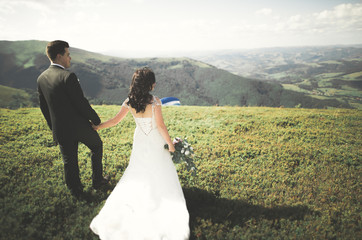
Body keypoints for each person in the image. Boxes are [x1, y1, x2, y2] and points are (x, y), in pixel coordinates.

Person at [90, 67, 190, 239]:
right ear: (149, 85)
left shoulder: (129, 101)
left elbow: (115, 121)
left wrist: (99, 126)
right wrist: (170, 144)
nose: (155, 83)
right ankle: (158, 196)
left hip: (140, 141)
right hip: (155, 141)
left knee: (138, 169)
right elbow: (160, 126)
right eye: (153, 81)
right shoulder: (155, 101)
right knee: (159, 168)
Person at [37, 40, 109, 197]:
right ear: (59, 55)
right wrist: (96, 120)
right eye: (68, 55)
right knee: (97, 146)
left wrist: (53, 127)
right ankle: (97, 181)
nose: (70, 58)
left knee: (69, 160)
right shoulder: (68, 76)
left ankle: (76, 191)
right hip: (79, 127)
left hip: (61, 129)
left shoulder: (41, 78)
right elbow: (81, 103)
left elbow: (44, 108)